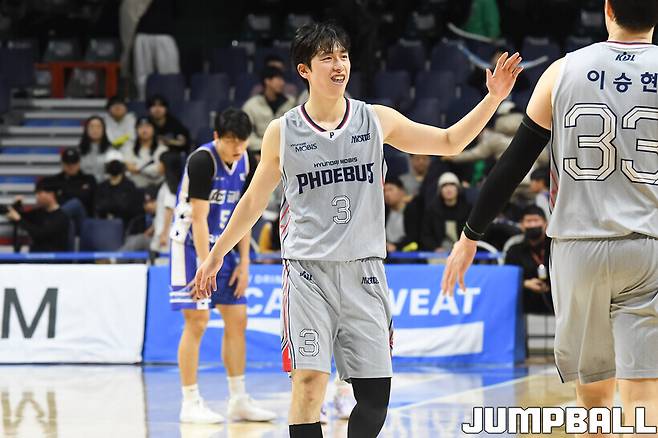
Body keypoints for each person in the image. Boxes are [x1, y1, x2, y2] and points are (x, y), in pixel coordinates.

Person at [193, 22, 521, 438]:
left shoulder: (376, 119)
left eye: (343, 56)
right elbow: (254, 202)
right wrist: (216, 254)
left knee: (375, 398)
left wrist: (493, 98)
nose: (339, 65)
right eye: (327, 58)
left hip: (365, 271)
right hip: (308, 272)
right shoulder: (283, 131)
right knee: (308, 384)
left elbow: (449, 141)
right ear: (304, 70)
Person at [441, 0, 658, 432]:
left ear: (608, 10)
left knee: (593, 395)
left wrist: (469, 237)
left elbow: (513, 164)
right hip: (648, 245)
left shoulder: (562, 71)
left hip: (578, 248)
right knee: (644, 391)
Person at [169, 108, 276, 424]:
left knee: (237, 318)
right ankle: (190, 402)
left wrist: (245, 262)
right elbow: (200, 219)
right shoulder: (202, 161)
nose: (237, 147)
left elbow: (246, 215)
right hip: (191, 247)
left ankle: (238, 400)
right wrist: (206, 265)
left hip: (224, 247)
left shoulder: (247, 161)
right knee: (197, 321)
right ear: (216, 137)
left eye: (242, 141)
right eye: (231, 141)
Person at [504, 205, 552, 315]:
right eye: (528, 221)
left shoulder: (555, 247)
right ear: (522, 225)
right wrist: (525, 283)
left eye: (536, 220)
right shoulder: (514, 250)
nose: (532, 225)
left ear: (545, 223)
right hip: (526, 310)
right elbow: (507, 278)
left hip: (557, 307)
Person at [242, 66, 296, 158]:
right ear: (267, 81)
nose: (282, 83)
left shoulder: (291, 103)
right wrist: (266, 145)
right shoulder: (251, 105)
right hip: (259, 151)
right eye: (278, 79)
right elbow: (246, 134)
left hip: (288, 150)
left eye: (282, 79)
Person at [4, 179, 70, 252]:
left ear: (51, 194)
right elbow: (17, 217)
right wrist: (17, 205)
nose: (37, 196)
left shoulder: (61, 217)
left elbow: (40, 235)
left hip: (54, 257)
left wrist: (19, 219)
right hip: (35, 256)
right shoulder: (39, 212)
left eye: (39, 193)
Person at [42, 148, 97, 234]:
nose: (71, 166)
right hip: (63, 225)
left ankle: (51, 224)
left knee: (75, 204)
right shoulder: (54, 181)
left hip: (84, 222)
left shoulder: (89, 180)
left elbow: (95, 202)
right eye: (68, 163)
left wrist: (64, 194)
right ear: (62, 164)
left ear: (79, 163)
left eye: (73, 163)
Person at [420, 172, 471, 252]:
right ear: (440, 190)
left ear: (458, 188)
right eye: (444, 185)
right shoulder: (432, 211)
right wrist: (435, 248)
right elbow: (425, 234)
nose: (448, 189)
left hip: (463, 251)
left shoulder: (468, 209)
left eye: (452, 185)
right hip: (438, 254)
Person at [94, 150, 143, 229]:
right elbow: (99, 206)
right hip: (104, 225)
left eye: (116, 164)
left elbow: (129, 209)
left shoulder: (130, 186)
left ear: (122, 166)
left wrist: (111, 206)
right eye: (111, 164)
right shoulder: (102, 186)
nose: (114, 167)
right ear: (106, 166)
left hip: (125, 226)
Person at [125, 116, 168, 188]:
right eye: (141, 127)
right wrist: (151, 168)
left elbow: (159, 171)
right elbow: (128, 167)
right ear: (136, 130)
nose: (144, 130)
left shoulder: (163, 149)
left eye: (147, 126)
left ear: (154, 129)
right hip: (133, 188)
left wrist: (137, 169)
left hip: (156, 188)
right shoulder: (129, 148)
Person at [78, 115, 113, 182]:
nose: (95, 130)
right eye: (91, 127)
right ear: (86, 129)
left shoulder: (112, 151)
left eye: (98, 127)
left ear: (104, 130)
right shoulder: (79, 151)